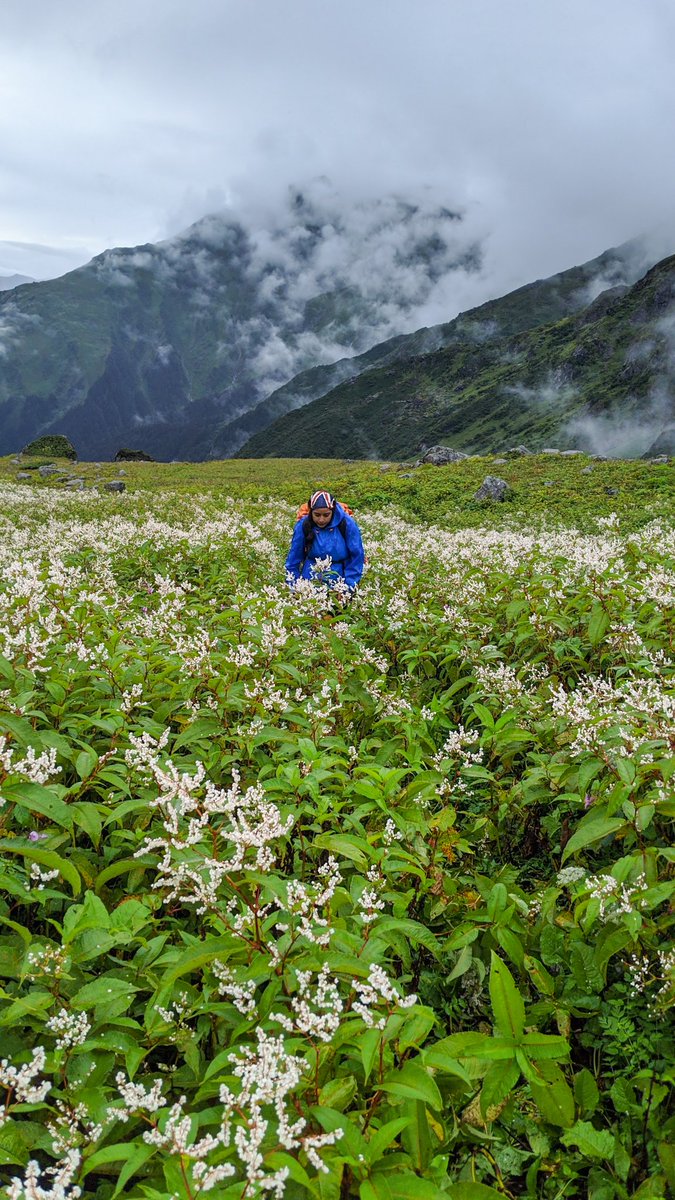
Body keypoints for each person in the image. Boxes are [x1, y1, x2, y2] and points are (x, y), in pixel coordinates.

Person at [285, 490, 365, 593]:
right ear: (311, 512)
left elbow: (356, 556)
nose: (321, 520)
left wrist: (348, 588)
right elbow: (293, 558)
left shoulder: (347, 523)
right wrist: (294, 586)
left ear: (333, 511)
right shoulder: (303, 525)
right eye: (317, 515)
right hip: (310, 577)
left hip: (339, 578)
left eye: (326, 515)